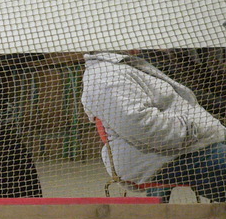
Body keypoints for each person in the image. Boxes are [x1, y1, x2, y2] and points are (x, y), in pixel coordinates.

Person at [81, 51, 226, 202]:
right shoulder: (106, 75)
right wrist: (194, 129)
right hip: (164, 159)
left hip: (186, 147)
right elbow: (140, 127)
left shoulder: (124, 65)